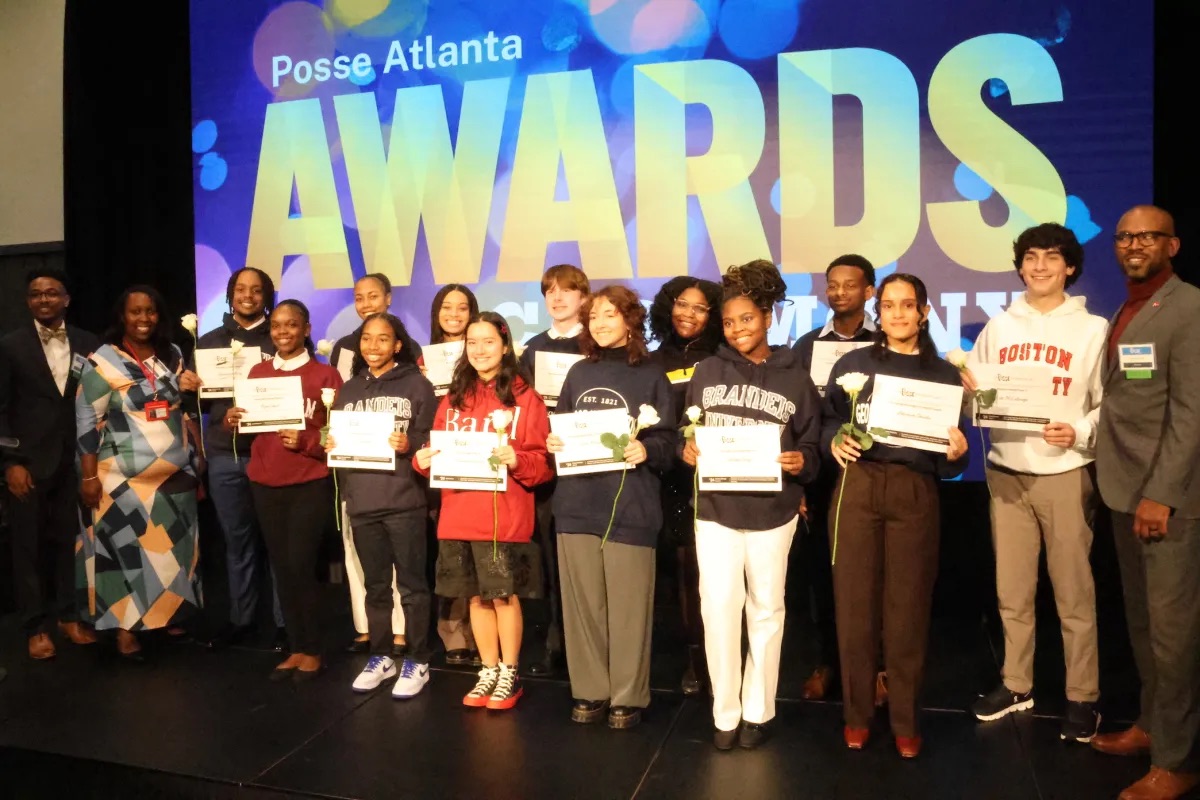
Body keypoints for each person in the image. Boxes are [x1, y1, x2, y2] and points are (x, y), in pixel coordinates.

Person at [961, 224, 1106, 743]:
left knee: (1074, 593)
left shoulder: (1093, 329)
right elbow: (976, 395)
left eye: (1051, 257)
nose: (1039, 266)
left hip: (1064, 473)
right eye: (1030, 257)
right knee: (1013, 590)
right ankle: (1017, 683)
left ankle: (1082, 696)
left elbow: (1106, 403)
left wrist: (1081, 430)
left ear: (1070, 267)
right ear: (1019, 265)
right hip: (1006, 470)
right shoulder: (999, 327)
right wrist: (968, 394)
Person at [825, 273, 969, 759]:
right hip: (859, 484)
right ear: (878, 312)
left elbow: (956, 461)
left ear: (924, 312)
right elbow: (826, 419)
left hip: (914, 490)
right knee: (854, 608)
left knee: (907, 610)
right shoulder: (854, 363)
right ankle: (858, 715)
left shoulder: (945, 375)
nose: (899, 314)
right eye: (889, 306)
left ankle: (905, 718)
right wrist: (832, 439)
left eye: (908, 305)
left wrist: (958, 452)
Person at [681, 260, 822, 751]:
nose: (738, 329)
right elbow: (689, 433)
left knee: (766, 610)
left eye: (747, 319)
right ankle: (725, 713)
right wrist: (689, 449)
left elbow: (814, 448)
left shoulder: (796, 378)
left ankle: (758, 711)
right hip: (716, 508)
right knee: (718, 608)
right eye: (729, 321)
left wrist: (800, 460)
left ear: (767, 317)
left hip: (773, 511)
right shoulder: (706, 371)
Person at [1090, 206, 1200, 800]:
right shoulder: (1129, 306)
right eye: (1126, 235)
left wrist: (1162, 493)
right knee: (1142, 624)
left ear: (1172, 245)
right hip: (1123, 492)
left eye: (1147, 236)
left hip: (1167, 501)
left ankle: (1179, 761)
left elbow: (1191, 413)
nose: (1134, 244)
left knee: (1174, 634)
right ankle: (1153, 727)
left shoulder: (1189, 308)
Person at [548, 285, 673, 730]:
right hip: (577, 503)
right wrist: (553, 442)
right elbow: (560, 427)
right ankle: (589, 690)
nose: (600, 323)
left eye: (609, 315)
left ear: (630, 321)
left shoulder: (653, 374)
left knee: (628, 607)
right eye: (594, 316)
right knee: (582, 609)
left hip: (631, 505)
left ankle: (627, 695)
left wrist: (649, 450)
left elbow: (670, 440)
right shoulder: (579, 372)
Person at [414, 311, 553, 710]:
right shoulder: (453, 399)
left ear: (505, 346)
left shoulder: (525, 398)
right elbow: (434, 454)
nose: (479, 350)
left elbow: (543, 465)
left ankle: (510, 671)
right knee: (474, 595)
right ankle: (487, 669)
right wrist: (422, 460)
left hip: (503, 515)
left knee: (503, 596)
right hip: (458, 512)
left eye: (488, 341)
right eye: (471, 343)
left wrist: (517, 459)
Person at [75, 286, 206, 660]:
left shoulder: (174, 354)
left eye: (150, 311)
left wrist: (188, 389)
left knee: (169, 553)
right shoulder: (102, 361)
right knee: (126, 556)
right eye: (135, 312)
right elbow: (86, 422)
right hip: (122, 481)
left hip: (173, 475)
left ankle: (162, 620)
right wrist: (88, 478)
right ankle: (125, 632)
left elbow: (180, 408)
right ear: (122, 316)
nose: (143, 319)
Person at [226, 299, 341, 681]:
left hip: (309, 482)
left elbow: (337, 435)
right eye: (276, 325)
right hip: (265, 482)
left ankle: (314, 649)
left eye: (291, 325)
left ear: (306, 329)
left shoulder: (326, 376)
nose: (282, 332)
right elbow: (246, 425)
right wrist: (233, 419)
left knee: (304, 566)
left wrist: (307, 441)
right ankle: (296, 646)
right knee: (283, 569)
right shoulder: (257, 372)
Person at [330, 313, 436, 698]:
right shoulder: (348, 389)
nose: (373, 346)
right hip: (362, 502)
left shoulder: (418, 385)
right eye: (367, 339)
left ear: (397, 344)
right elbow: (342, 440)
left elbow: (429, 437)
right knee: (375, 587)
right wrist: (333, 445)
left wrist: (411, 445)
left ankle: (419, 659)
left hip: (404, 500)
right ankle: (381, 655)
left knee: (411, 586)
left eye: (383, 339)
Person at [0, 268, 101, 660]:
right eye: (36, 295)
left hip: (74, 460)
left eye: (52, 293)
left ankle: (67, 616)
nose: (44, 300)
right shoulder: (9, 346)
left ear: (66, 299)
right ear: (28, 302)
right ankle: (35, 627)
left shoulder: (88, 342)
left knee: (69, 545)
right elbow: (2, 409)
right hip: (28, 463)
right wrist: (10, 461)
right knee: (27, 549)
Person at [791, 254, 877, 702]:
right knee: (821, 575)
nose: (839, 292)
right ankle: (828, 662)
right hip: (822, 476)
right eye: (832, 285)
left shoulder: (888, 342)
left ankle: (876, 670)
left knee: (875, 576)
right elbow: (794, 415)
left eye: (850, 285)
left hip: (873, 473)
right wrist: (801, 483)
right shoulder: (805, 346)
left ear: (869, 291)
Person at [196, 267, 284, 651]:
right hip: (225, 455)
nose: (248, 295)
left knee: (279, 542)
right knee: (237, 543)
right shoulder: (207, 342)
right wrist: (189, 386)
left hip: (271, 453)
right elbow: (196, 402)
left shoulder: (282, 335)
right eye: (241, 289)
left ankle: (286, 622)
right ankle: (242, 619)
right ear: (231, 295)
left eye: (257, 290)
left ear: (267, 296)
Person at [646, 275, 722, 696]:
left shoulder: (724, 358)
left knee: (716, 573)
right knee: (684, 571)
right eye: (681, 304)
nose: (688, 314)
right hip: (672, 479)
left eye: (699, 308)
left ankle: (722, 655)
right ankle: (695, 660)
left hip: (721, 478)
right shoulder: (653, 360)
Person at [518, 263, 590, 677]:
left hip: (587, 463)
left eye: (567, 290)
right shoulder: (532, 348)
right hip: (547, 467)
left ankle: (586, 640)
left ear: (583, 296)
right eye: (550, 291)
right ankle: (557, 639)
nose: (557, 298)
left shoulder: (594, 342)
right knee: (548, 558)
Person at [427, 283, 480, 665]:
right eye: (447, 307)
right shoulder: (420, 358)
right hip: (439, 467)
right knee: (450, 556)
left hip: (478, 466)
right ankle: (453, 629)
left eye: (463, 308)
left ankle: (483, 633)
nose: (455, 314)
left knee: (479, 555)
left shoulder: (484, 353)